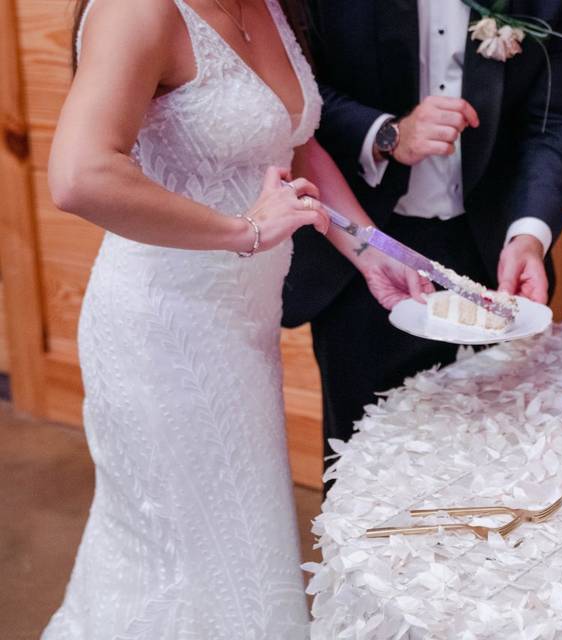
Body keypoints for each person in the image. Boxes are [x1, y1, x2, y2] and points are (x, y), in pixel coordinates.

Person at [42, 1, 424, 637]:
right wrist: (242, 229)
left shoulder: (269, 4)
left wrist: (368, 249)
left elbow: (291, 144)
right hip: (162, 332)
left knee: (245, 545)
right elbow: (80, 175)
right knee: (191, 557)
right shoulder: (141, 11)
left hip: (242, 331)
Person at [282, 0, 562, 460]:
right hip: (361, 259)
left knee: (498, 459)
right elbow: (292, 91)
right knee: (362, 467)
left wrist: (529, 233)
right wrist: (385, 134)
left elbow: (556, 121)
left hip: (493, 259)